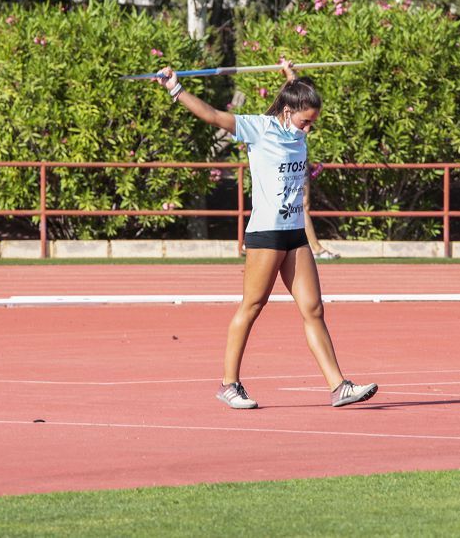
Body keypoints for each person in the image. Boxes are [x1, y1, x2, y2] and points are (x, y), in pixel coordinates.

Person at [156, 62, 377, 409]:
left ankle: (339, 386)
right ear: (288, 112)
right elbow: (213, 116)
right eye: (305, 122)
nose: (308, 130)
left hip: (294, 234)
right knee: (253, 306)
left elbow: (296, 95)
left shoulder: (295, 125)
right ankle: (229, 384)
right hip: (265, 233)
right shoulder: (258, 128)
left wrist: (290, 75)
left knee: (313, 309)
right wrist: (174, 88)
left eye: (312, 123)